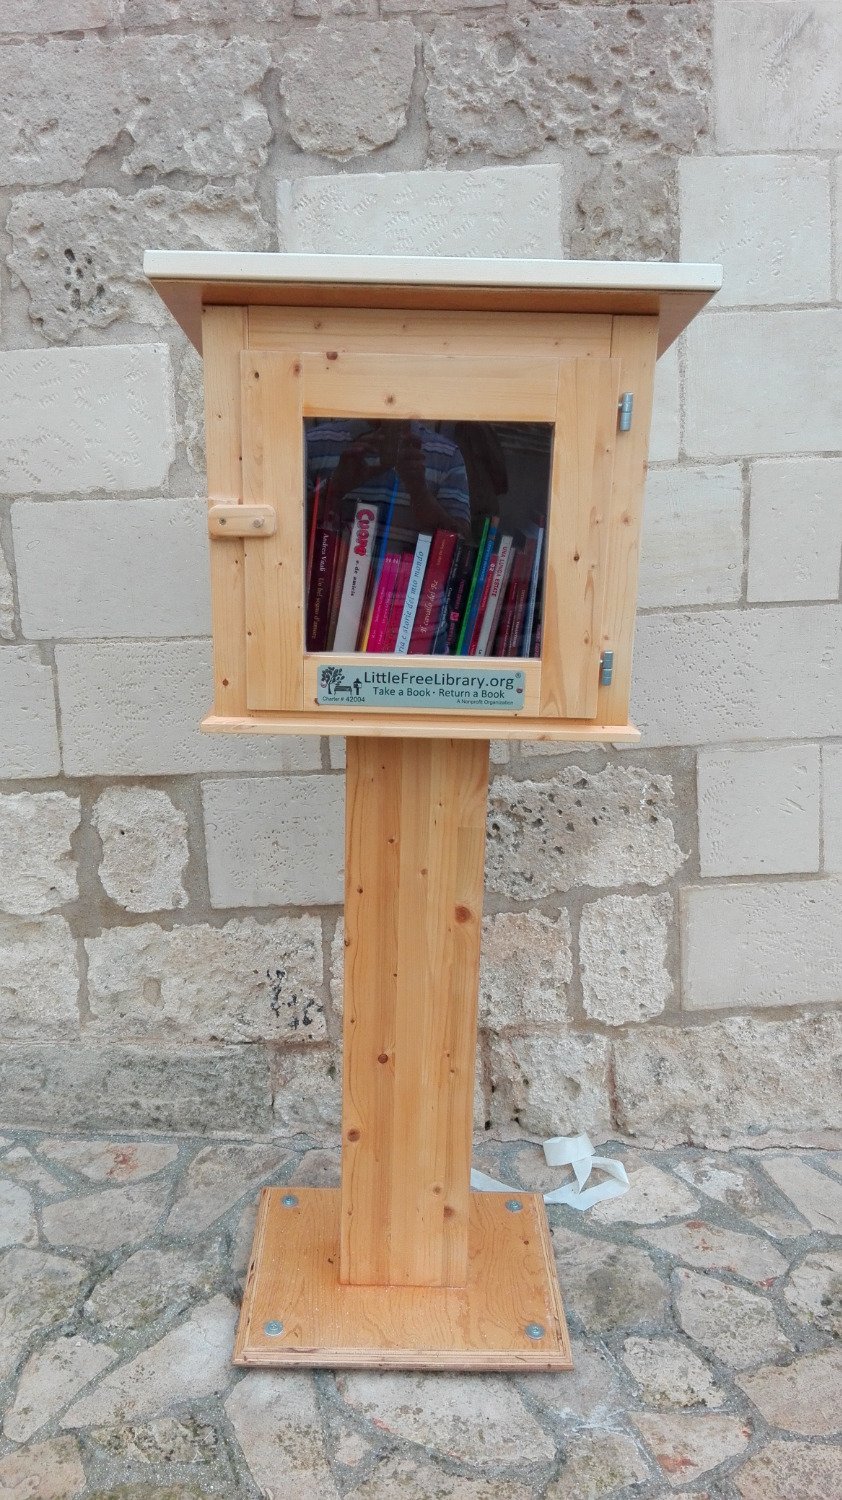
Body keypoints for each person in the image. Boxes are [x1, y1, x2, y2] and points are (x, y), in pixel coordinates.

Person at [306, 418, 472, 541]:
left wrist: (419, 492)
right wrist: (336, 487)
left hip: (410, 585)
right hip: (325, 584)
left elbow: (460, 546)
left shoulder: (447, 456)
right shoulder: (312, 444)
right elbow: (288, 533)